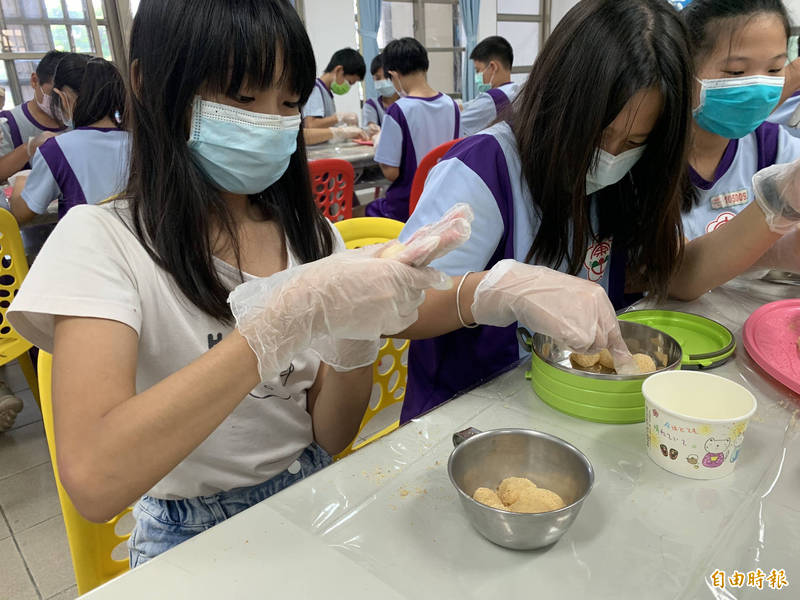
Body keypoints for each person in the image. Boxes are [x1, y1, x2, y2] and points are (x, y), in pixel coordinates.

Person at [7, 0, 640, 565]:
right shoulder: (101, 241)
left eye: (287, 104)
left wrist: (395, 320)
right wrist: (285, 318)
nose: (272, 123)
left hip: (312, 492)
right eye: (240, 97)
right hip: (185, 533)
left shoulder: (309, 235)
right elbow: (93, 478)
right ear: (146, 84)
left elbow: (331, 435)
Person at [681, 0, 800, 241]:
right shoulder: (644, 154)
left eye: (775, 69)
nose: (758, 87)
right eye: (736, 72)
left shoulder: (769, 145)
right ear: (684, 65)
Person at [10, 57, 129, 224]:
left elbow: (22, 213)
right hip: (142, 245)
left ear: (63, 98)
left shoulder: (56, 150)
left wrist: (21, 182)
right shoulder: (141, 142)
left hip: (89, 245)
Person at [365, 38, 461, 221]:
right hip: (443, 202)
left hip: (407, 206)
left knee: (359, 212)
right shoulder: (452, 106)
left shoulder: (398, 110)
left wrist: (379, 142)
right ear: (425, 67)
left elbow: (391, 174)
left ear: (393, 74)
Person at [0, 50, 68, 182]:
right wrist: (29, 147)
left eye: (69, 97)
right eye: (55, 95)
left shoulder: (82, 120)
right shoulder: (7, 125)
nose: (62, 103)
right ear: (35, 81)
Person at [459, 36, 520, 137]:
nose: (477, 76)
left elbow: (456, 126)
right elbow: (470, 105)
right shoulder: (515, 90)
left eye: (478, 70)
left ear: (493, 67)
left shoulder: (493, 99)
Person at [302, 47, 364, 129]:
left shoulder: (326, 93)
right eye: (349, 82)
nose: (348, 87)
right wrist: (340, 117)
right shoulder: (315, 89)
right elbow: (310, 125)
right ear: (339, 70)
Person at [362, 53, 399, 134]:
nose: (382, 81)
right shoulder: (371, 105)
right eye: (378, 78)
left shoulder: (406, 102)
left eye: (386, 77)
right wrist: (371, 129)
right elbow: (370, 130)